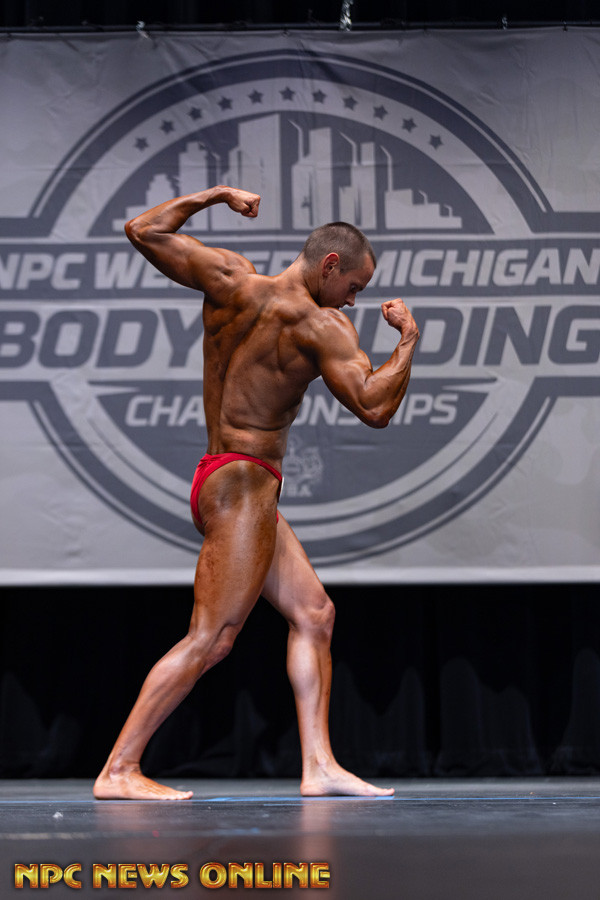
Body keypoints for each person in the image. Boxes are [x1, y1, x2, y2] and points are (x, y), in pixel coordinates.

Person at [93, 185, 419, 801]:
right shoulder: (322, 326)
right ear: (329, 265)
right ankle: (119, 769)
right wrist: (407, 339)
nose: (354, 299)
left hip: (226, 478)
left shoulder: (231, 279)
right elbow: (375, 407)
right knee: (211, 638)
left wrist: (216, 196)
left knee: (314, 614)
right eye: (353, 285)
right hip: (244, 486)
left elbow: (144, 230)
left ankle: (318, 765)